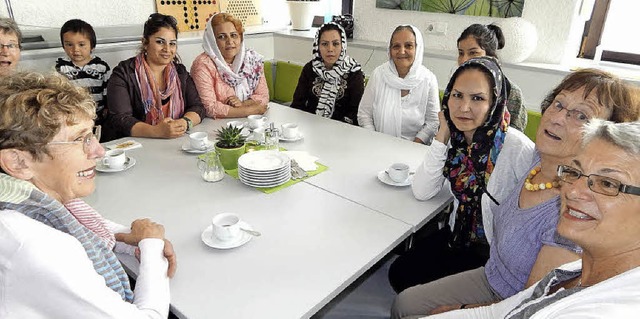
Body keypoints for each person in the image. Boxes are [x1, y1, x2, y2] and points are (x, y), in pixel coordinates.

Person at [391, 69, 640, 319]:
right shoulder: (535, 160)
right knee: (403, 303)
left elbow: (529, 303)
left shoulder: (575, 211)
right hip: (492, 273)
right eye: (558, 104)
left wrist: (461, 310)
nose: (557, 118)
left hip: (512, 300)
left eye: (581, 115)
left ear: (605, 139)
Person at [0, 72, 174, 317]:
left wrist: (129, 238)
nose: (99, 151)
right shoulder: (38, 247)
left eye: (92, 134)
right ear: (18, 162)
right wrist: (152, 246)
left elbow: (88, 227)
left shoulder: (23, 201)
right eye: (79, 139)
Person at [426, 119, 640, 319]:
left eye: (608, 184)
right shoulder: (573, 271)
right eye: (574, 172)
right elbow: (503, 311)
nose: (573, 192)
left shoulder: (606, 310)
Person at [388, 56, 535, 294]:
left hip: (492, 254)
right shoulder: (455, 138)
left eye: (477, 98)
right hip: (458, 236)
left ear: (495, 102)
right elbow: (423, 191)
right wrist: (443, 133)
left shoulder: (517, 148)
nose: (464, 107)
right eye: (457, 95)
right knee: (399, 274)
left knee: (418, 295)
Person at [104, 13, 205, 141]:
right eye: (160, 42)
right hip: (138, 146)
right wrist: (156, 131)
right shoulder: (123, 73)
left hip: (176, 141)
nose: (167, 49)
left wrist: (184, 123)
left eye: (172, 43)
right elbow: (120, 119)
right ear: (145, 43)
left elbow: (197, 107)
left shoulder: (180, 72)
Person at [357, 25, 439, 144]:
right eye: (396, 46)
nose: (402, 51)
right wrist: (373, 141)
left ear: (417, 48)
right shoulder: (379, 75)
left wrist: (414, 144)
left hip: (414, 149)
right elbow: (364, 114)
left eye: (408, 46)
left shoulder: (428, 79)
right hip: (377, 145)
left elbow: (433, 121)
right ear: (390, 50)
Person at [190, 13, 268, 118]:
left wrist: (243, 104)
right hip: (216, 126)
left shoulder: (252, 60)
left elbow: (263, 97)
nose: (230, 41)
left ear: (241, 37)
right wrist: (252, 110)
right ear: (212, 40)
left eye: (234, 35)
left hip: (253, 121)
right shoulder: (203, 65)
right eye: (222, 37)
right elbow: (210, 107)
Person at [290, 22, 364, 125]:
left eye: (335, 44)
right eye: (324, 44)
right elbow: (297, 104)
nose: (330, 49)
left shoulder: (354, 72)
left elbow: (356, 112)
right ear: (318, 46)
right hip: (310, 127)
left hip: (343, 131)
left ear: (343, 46)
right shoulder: (310, 69)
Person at [457, 24, 527, 131]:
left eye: (473, 53)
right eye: (461, 53)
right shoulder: (456, 86)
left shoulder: (511, 92)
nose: (464, 60)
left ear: (490, 55)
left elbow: (515, 138)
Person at [55, 19, 111, 125]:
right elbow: (59, 94)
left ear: (92, 45)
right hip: (73, 117)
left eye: (81, 44)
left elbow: (108, 90)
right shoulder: (61, 68)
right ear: (63, 45)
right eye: (69, 45)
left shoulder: (101, 67)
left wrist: (107, 108)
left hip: (99, 116)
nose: (75, 49)